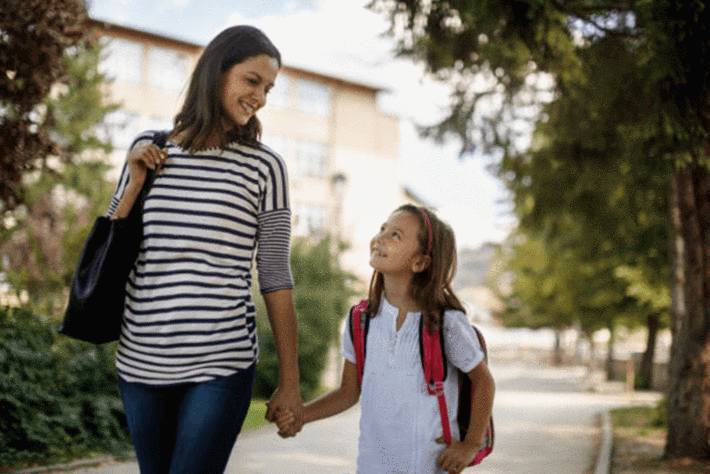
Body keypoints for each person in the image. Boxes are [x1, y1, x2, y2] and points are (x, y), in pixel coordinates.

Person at [107, 25, 301, 474]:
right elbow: (112, 248)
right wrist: (135, 180)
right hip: (141, 362)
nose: (261, 97)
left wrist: (290, 382)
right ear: (216, 73)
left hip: (220, 361)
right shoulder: (151, 152)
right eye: (252, 81)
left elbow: (274, 273)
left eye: (268, 88)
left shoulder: (265, 167)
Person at [275, 204, 495, 474]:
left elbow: (483, 380)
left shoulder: (445, 323)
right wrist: (301, 417)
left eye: (396, 235)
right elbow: (348, 392)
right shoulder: (362, 321)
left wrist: (470, 444)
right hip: (371, 466)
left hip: (427, 466)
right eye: (383, 229)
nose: (380, 238)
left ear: (420, 262)